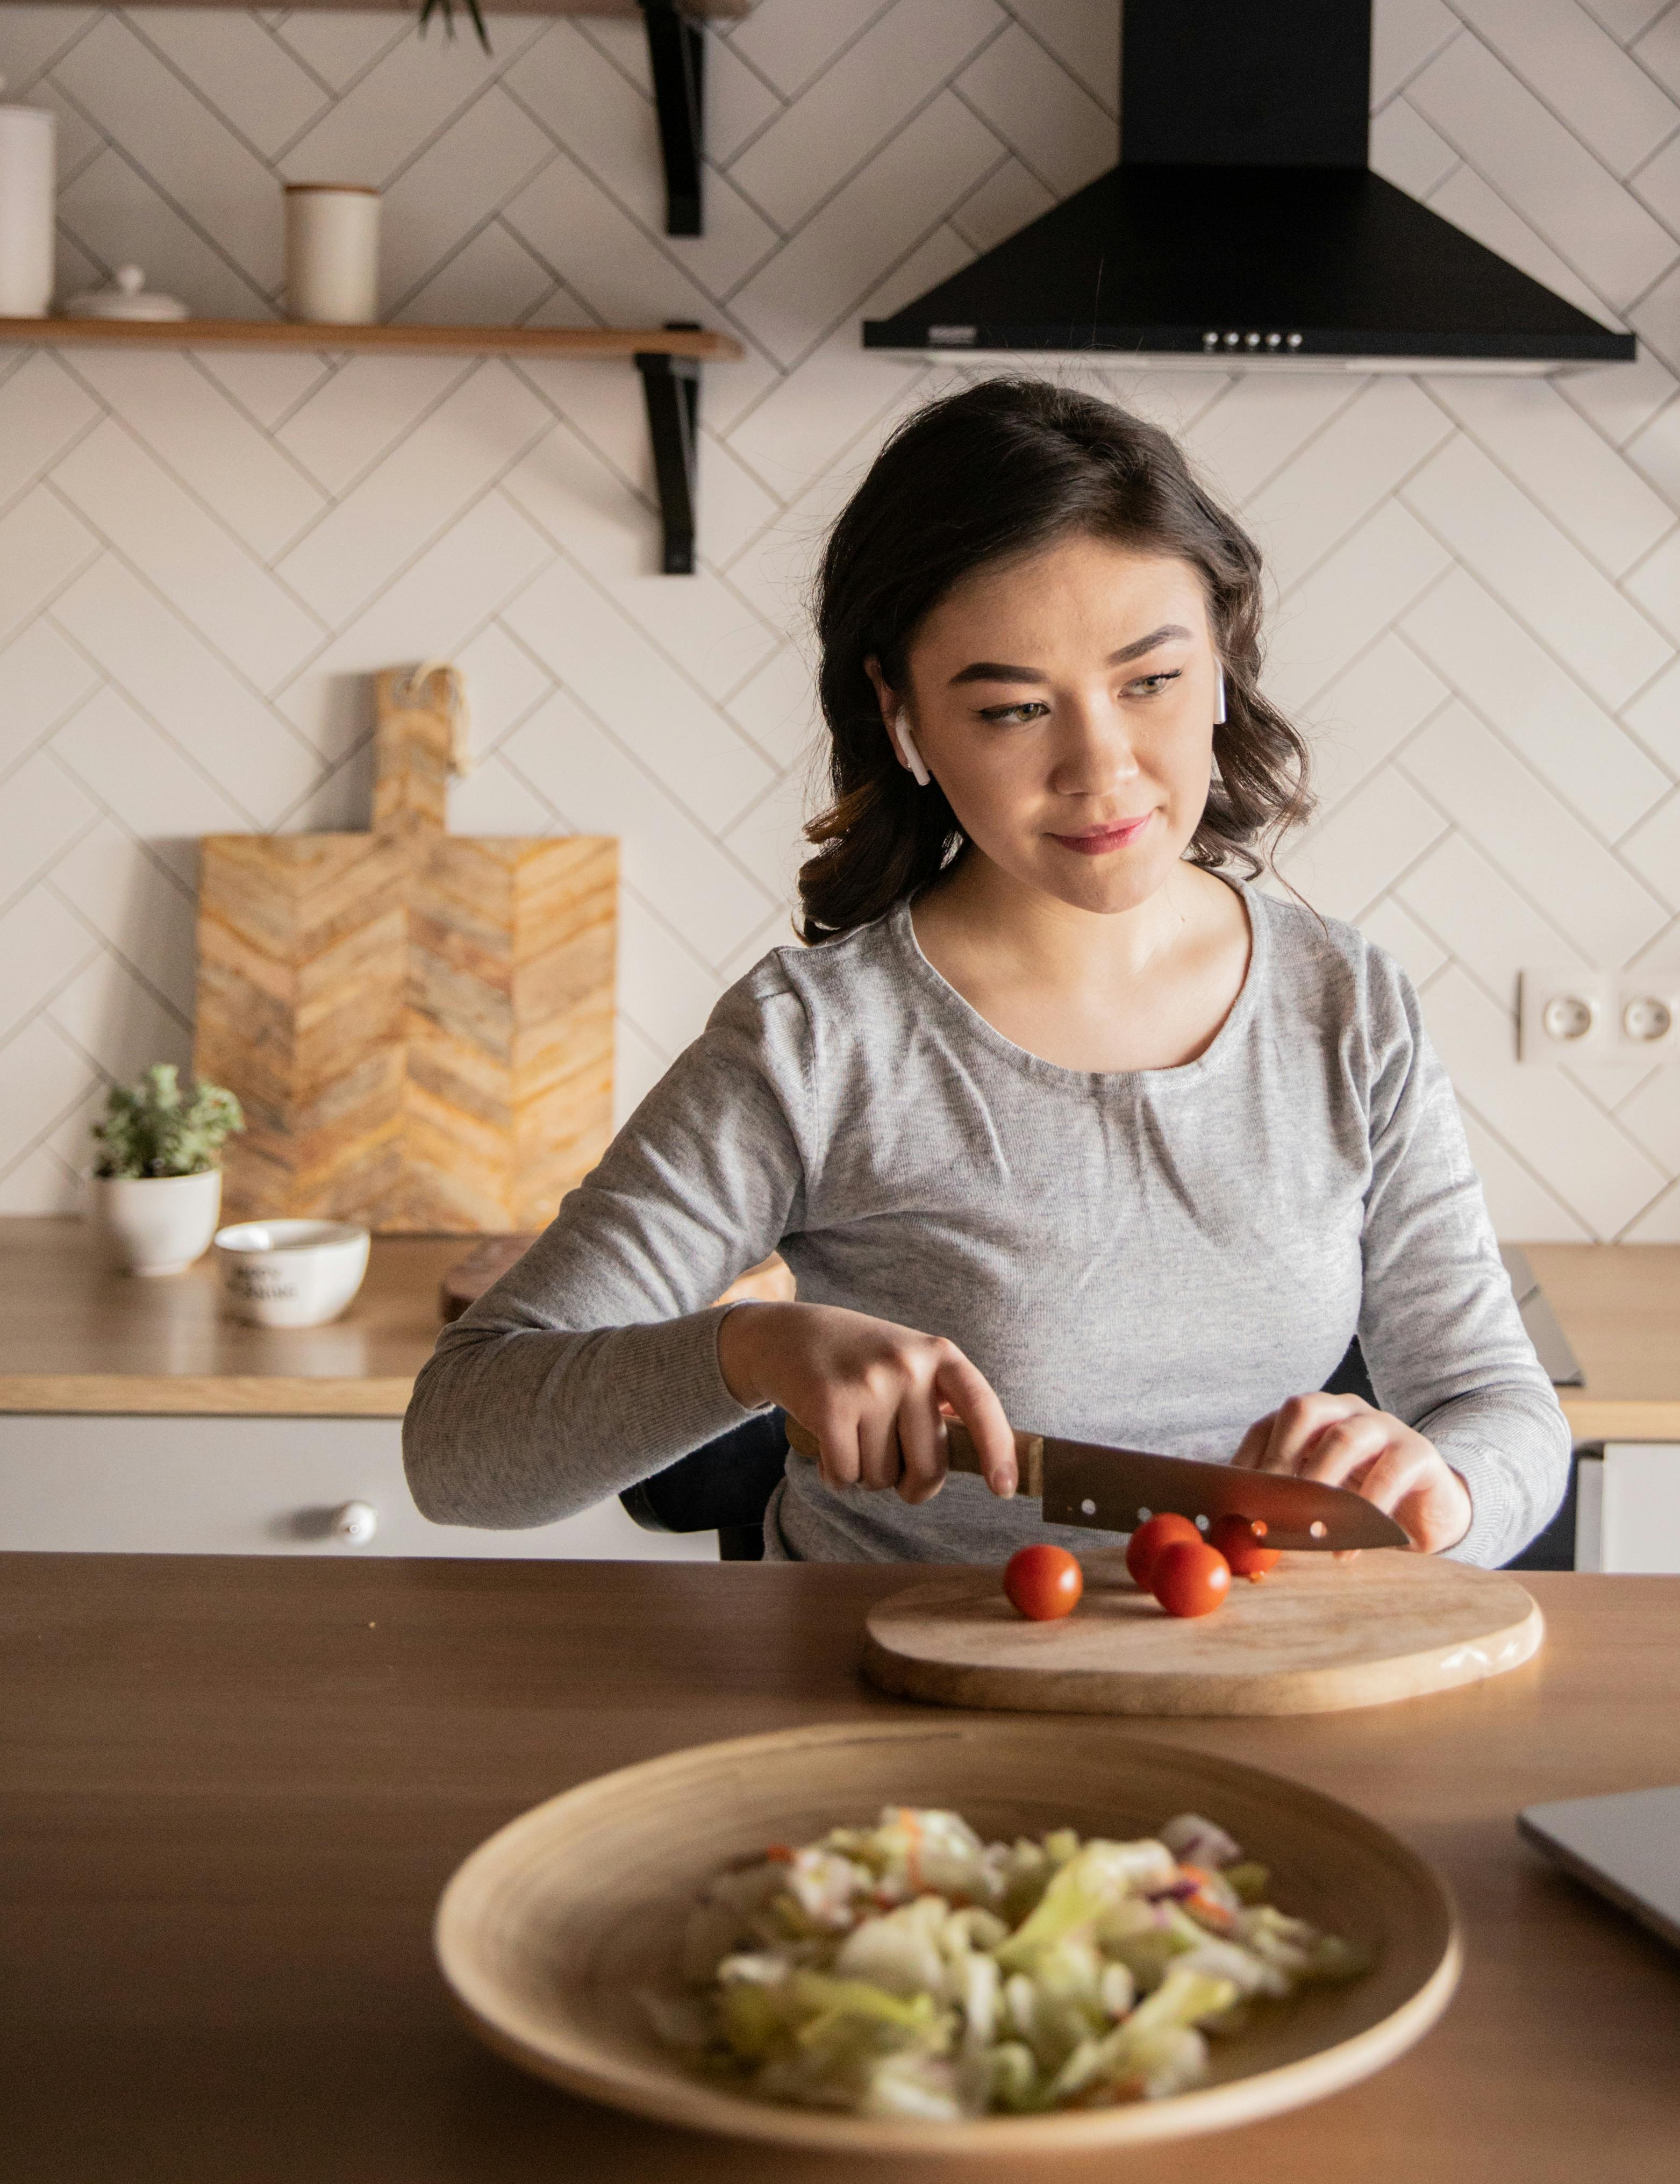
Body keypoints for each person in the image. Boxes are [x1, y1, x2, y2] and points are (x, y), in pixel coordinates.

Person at [405, 379, 1569, 1568]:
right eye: (1014, 709)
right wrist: (750, 1354)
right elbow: (457, 1448)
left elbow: (1501, 1409)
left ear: (1221, 661)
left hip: (1247, 1677)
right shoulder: (815, 1044)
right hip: (892, 1705)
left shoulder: (1343, 1004)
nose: (1101, 771)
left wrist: (1446, 1492)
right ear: (901, 716)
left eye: (1151, 682)